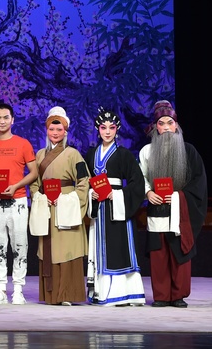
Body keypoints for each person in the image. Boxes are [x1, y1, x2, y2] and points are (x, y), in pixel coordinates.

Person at [139, 100, 208, 308]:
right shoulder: (147, 151)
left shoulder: (188, 151)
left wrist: (178, 196)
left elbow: (198, 181)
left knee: (179, 252)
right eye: (162, 124)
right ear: (156, 128)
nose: (167, 127)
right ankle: (161, 296)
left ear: (176, 125)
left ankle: (178, 295)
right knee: (159, 254)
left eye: (170, 123)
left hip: (179, 210)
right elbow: (141, 177)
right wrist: (148, 192)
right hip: (157, 207)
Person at [84, 107, 146, 306]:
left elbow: (138, 183)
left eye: (111, 127)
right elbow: (85, 181)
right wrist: (90, 193)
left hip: (116, 207)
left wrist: (117, 195)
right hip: (99, 208)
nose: (107, 132)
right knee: (99, 248)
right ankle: (101, 292)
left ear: (117, 129)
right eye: (103, 127)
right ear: (98, 129)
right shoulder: (91, 154)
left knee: (119, 248)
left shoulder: (124, 154)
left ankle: (124, 293)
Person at [0, 101, 38, 305]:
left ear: (12, 120)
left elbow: (34, 172)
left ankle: (18, 290)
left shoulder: (23, 144)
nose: (2, 121)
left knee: (20, 245)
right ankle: (1, 289)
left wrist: (16, 186)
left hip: (18, 200)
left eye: (6, 117)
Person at [30, 106, 89, 305]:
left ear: (65, 131)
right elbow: (34, 183)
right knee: (50, 248)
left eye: (59, 129)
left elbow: (84, 182)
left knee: (68, 248)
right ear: (46, 130)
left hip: (66, 207)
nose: (55, 133)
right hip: (47, 207)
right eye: (51, 129)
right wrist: (40, 198)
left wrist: (67, 200)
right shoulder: (39, 155)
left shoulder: (74, 154)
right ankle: (52, 295)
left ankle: (67, 295)